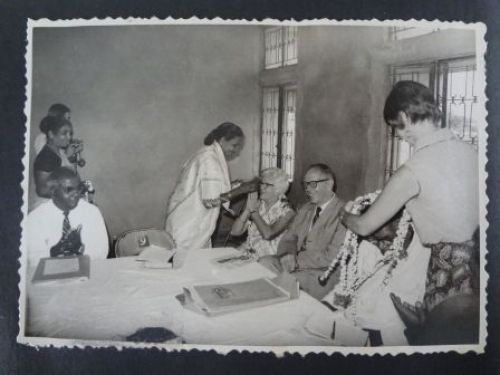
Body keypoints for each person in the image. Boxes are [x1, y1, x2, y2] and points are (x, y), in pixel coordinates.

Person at [342, 81, 479, 344]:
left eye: (395, 127)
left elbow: (363, 226)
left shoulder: (415, 167)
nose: (398, 136)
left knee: (438, 346)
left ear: (404, 117)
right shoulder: (469, 151)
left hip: (447, 274)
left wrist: (344, 215)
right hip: (480, 264)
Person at [259, 164, 347, 300]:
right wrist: (288, 254)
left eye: (312, 184)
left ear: (329, 184)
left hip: (322, 273)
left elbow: (331, 257)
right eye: (305, 185)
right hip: (295, 264)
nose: (307, 190)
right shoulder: (306, 209)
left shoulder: (345, 212)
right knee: (263, 263)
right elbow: (289, 239)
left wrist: (297, 261)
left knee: (285, 284)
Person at [165, 122, 245, 250]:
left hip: (189, 221)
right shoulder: (210, 159)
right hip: (188, 225)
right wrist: (242, 190)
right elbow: (210, 201)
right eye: (234, 145)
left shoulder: (206, 153)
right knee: (188, 265)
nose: (235, 151)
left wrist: (232, 186)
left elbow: (206, 188)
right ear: (223, 140)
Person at [27, 167, 108, 268]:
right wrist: (54, 253)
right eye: (69, 189)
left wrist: (79, 251)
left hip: (86, 271)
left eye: (78, 188)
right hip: (50, 275)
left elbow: (102, 251)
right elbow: (32, 261)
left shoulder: (92, 212)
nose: (77, 193)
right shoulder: (35, 219)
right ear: (53, 191)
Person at [230, 168, 295, 259]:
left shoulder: (288, 212)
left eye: (267, 185)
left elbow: (268, 234)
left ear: (278, 189)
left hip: (268, 259)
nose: (261, 187)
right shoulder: (259, 205)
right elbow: (235, 232)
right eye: (262, 183)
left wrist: (253, 211)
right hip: (248, 253)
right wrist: (247, 210)